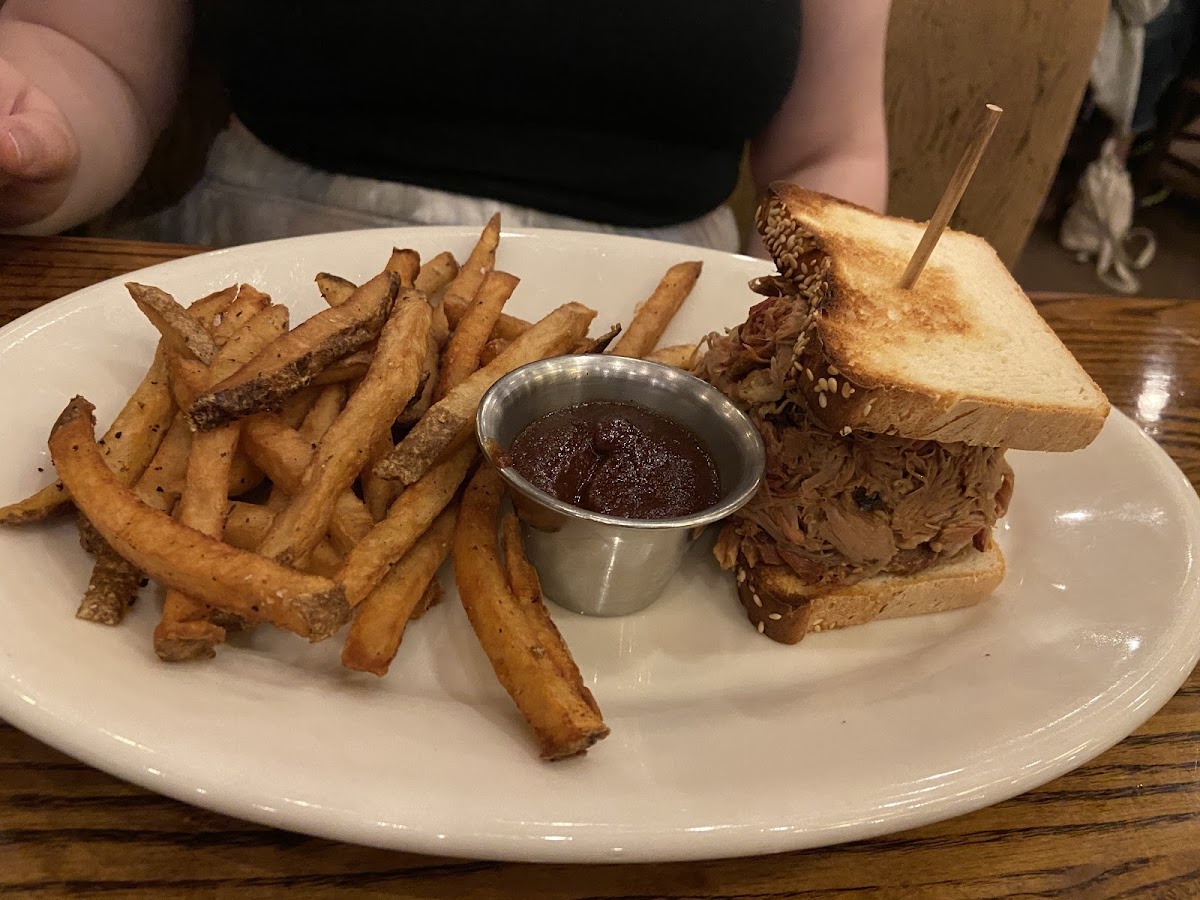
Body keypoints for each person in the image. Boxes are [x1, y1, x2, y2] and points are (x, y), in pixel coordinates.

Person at [0, 1, 889, 254]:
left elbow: (826, 151)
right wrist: (30, 127)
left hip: (668, 343)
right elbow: (86, 54)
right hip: (245, 280)